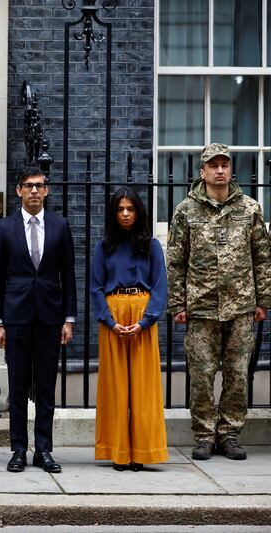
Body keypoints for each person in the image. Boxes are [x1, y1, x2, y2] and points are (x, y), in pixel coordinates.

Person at [167, 143, 271, 462]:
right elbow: (175, 260)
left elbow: (262, 258)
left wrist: (263, 299)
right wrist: (177, 304)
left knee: (238, 375)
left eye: (225, 164)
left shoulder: (249, 208)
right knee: (201, 376)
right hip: (200, 309)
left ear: (231, 169)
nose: (220, 170)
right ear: (203, 172)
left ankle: (228, 434)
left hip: (241, 307)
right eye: (214, 165)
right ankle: (203, 435)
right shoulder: (186, 210)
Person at [0, 166, 76, 474]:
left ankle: (44, 449)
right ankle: (18, 449)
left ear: (47, 190)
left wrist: (69, 319)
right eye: (29, 186)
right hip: (16, 317)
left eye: (40, 186)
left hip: (50, 316)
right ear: (19, 191)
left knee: (45, 388)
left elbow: (69, 276)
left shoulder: (60, 226)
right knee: (18, 385)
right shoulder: (5, 228)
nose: (35, 191)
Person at [91, 188, 168, 471]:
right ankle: (119, 452)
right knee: (115, 388)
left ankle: (143, 452)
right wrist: (110, 322)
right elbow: (96, 287)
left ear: (139, 212)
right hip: (113, 317)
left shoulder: (152, 246)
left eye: (130, 209)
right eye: (120, 209)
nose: (125, 213)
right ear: (114, 213)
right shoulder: (104, 246)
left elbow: (160, 286)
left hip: (142, 317)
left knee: (143, 388)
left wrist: (145, 321)